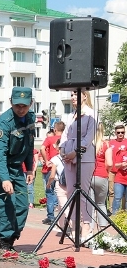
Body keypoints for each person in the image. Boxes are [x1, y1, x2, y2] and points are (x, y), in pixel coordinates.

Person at [0, 87, 35, 250]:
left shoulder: (30, 119)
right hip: (0, 166)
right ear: (11, 103)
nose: (20, 109)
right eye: (17, 106)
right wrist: (4, 179)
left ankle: (13, 236)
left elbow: (29, 145)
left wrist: (29, 168)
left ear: (31, 103)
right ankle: (4, 241)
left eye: (24, 105)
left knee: (22, 204)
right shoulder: (4, 122)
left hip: (16, 167)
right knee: (8, 202)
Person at [60, 91, 96, 238]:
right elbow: (65, 134)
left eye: (76, 94)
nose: (73, 97)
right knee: (70, 192)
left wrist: (76, 152)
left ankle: (86, 224)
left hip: (84, 156)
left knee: (84, 193)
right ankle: (74, 225)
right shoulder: (70, 115)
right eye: (72, 94)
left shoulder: (91, 114)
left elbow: (89, 137)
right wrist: (62, 150)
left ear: (85, 96)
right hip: (68, 156)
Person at [39, 121, 64, 224]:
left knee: (49, 192)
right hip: (63, 169)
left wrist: (46, 160)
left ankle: (51, 216)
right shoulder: (66, 139)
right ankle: (63, 215)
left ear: (55, 129)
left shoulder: (49, 139)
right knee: (62, 193)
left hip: (50, 168)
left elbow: (42, 148)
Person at [91, 122, 111, 235]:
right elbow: (109, 162)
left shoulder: (89, 144)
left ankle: (89, 229)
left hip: (89, 176)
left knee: (90, 204)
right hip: (102, 175)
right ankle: (102, 230)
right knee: (101, 204)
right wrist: (106, 171)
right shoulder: (106, 145)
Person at [110, 122, 127, 213]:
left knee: (124, 195)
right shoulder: (111, 143)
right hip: (112, 170)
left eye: (122, 132)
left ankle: (123, 212)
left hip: (123, 171)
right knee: (112, 193)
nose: (120, 134)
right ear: (115, 133)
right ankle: (113, 211)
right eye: (118, 132)